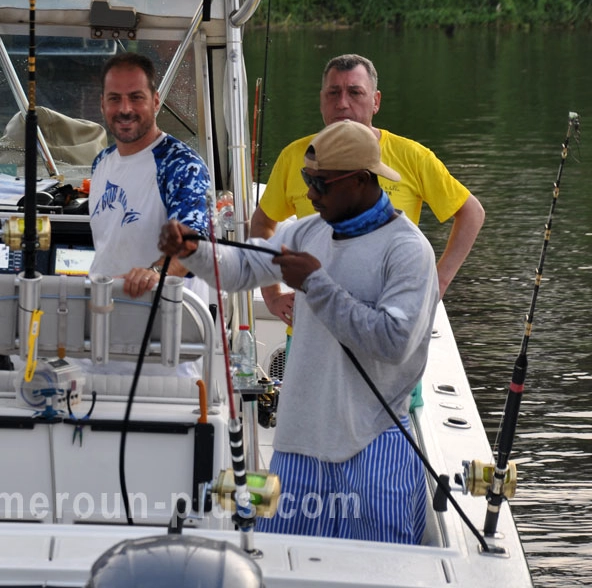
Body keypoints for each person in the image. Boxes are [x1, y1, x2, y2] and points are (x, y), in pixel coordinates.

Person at [159, 120, 437, 544]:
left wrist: (317, 285)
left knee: (379, 568)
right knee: (281, 561)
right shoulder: (307, 231)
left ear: (362, 181)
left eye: (320, 183)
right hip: (298, 441)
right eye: (308, 179)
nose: (309, 193)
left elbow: (393, 342)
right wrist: (193, 251)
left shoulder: (408, 249)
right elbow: (239, 270)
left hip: (375, 438)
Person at [250, 53, 484, 324]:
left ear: (376, 101)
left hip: (387, 322)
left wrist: (437, 283)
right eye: (333, 93)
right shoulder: (295, 156)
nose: (343, 104)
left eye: (355, 93)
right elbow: (262, 222)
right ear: (321, 100)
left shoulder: (412, 156)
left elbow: (471, 213)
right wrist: (272, 295)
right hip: (313, 323)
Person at [88, 52, 211, 300]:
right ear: (102, 104)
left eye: (136, 98)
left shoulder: (183, 166)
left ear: (155, 102)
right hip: (108, 308)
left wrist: (154, 273)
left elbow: (195, 245)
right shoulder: (101, 163)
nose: (125, 109)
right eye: (115, 99)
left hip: (168, 318)